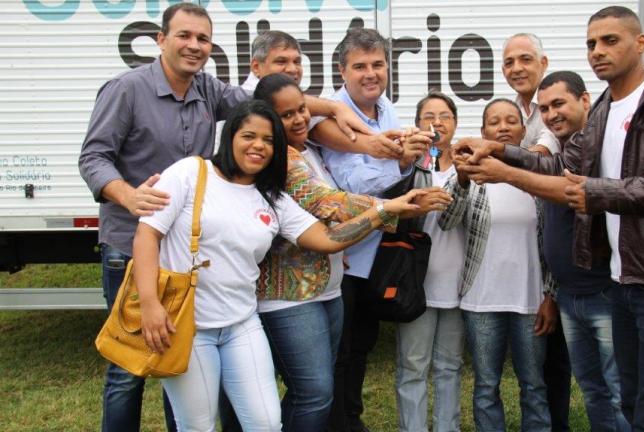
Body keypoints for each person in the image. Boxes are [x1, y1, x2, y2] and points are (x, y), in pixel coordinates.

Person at [456, 6, 644, 431]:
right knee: (631, 404)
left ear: (640, 44)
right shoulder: (603, 110)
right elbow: (560, 169)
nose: (598, 51)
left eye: (610, 41)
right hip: (622, 280)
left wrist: (600, 193)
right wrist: (500, 151)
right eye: (591, 44)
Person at [135, 99, 427, 431]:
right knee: (197, 425)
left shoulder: (272, 198)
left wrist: (387, 210)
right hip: (188, 326)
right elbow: (147, 234)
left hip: (240, 324)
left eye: (269, 140)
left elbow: (328, 239)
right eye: (249, 136)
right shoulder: (191, 172)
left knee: (266, 423)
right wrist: (149, 304)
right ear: (230, 136)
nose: (258, 145)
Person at [78, 3, 247, 430]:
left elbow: (267, 102)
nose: (194, 46)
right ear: (161, 40)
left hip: (186, 252)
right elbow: (94, 157)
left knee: (181, 358)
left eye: (203, 39)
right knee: (129, 366)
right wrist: (127, 195)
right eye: (184, 36)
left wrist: (333, 108)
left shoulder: (208, 90)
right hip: (129, 247)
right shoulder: (126, 89)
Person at [249, 73, 449, 431]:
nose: (298, 120)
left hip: (326, 288)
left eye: (301, 111)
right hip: (293, 297)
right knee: (311, 393)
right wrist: (397, 207)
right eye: (287, 115)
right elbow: (331, 204)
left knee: (324, 384)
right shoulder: (281, 160)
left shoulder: (308, 147)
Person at [321, 28, 437, 432]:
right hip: (343, 252)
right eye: (360, 67)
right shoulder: (330, 113)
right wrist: (399, 161)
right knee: (340, 349)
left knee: (361, 347)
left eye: (377, 64)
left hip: (377, 250)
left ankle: (350, 420)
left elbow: (393, 175)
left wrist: (404, 163)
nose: (370, 74)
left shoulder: (386, 109)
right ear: (342, 71)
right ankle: (336, 422)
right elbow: (352, 184)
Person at [446, 98, 553, 432]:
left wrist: (550, 295)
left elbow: (552, 244)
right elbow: (448, 221)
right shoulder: (471, 175)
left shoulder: (537, 177)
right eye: (494, 122)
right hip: (481, 299)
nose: (503, 127)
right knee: (486, 385)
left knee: (534, 384)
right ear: (483, 132)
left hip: (531, 301)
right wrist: (462, 181)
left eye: (511, 120)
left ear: (524, 131)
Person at [539, 70, 628, 431]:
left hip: (604, 292)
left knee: (619, 391)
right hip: (569, 296)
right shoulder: (557, 151)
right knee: (592, 390)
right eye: (544, 108)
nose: (551, 114)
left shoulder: (602, 149)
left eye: (558, 103)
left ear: (585, 100)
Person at [502, 33, 572, 430]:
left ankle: (556, 422)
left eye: (525, 59)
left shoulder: (554, 105)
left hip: (559, 229)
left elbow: (541, 157)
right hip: (528, 236)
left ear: (543, 63)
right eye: (510, 62)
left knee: (557, 351)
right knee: (539, 349)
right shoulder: (512, 111)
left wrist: (498, 158)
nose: (517, 68)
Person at [393, 91, 468, 432]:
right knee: (413, 366)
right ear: (418, 124)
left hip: (457, 283)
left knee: (450, 366)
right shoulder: (406, 167)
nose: (437, 122)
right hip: (416, 284)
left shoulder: (470, 167)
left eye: (444, 116)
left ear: (455, 123)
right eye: (428, 116)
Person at [240, 30, 403, 160]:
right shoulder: (246, 102)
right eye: (281, 62)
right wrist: (372, 144)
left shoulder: (384, 103)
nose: (292, 69)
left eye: (297, 62)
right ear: (256, 66)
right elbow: (318, 129)